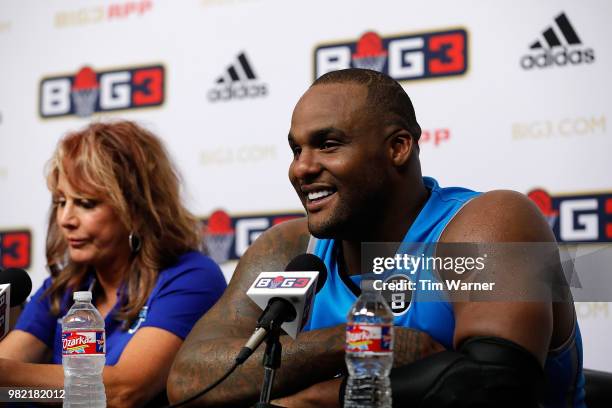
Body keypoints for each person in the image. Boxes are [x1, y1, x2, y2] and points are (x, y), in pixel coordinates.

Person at [167, 69, 584, 407]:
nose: (301, 168)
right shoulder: (290, 248)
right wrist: (352, 340)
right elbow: (191, 379)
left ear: (399, 147)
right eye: (296, 150)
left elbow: (494, 385)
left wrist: (311, 402)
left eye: (327, 145)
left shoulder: (488, 224)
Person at [0, 120, 227, 407]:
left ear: (135, 208)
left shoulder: (191, 278)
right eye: (60, 202)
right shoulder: (64, 287)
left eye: (85, 203)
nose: (65, 220)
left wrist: (10, 379)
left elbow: (125, 390)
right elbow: (7, 383)